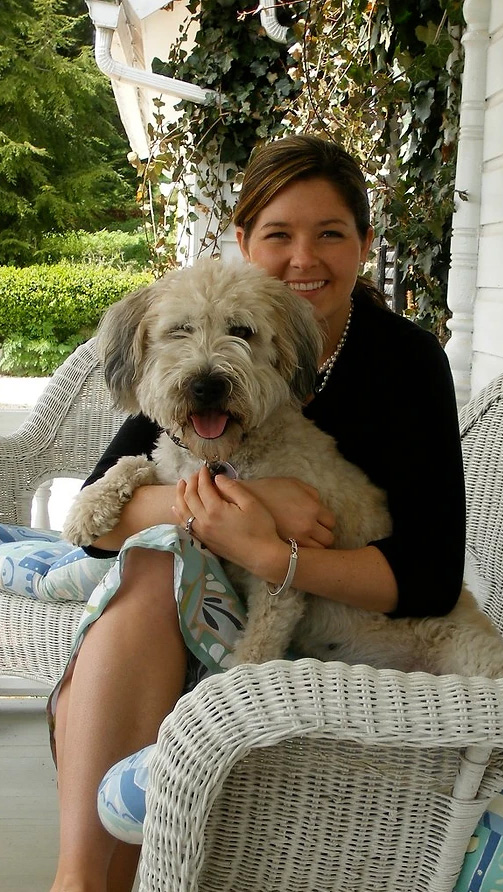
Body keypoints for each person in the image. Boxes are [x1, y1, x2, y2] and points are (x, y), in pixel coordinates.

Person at [49, 134, 466, 892]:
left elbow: (432, 580)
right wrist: (242, 503)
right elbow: (99, 519)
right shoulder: (198, 361)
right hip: (213, 611)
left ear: (365, 246)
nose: (304, 259)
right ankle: (83, 879)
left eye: (331, 234)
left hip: (358, 627)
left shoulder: (405, 365)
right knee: (151, 560)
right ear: (243, 243)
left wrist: (277, 553)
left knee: (152, 567)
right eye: (278, 235)